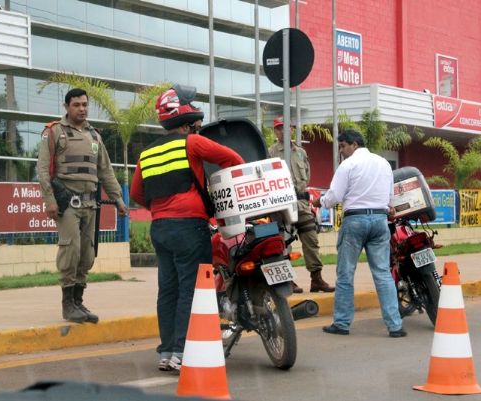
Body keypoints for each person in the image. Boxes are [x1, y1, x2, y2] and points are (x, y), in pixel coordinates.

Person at [130, 85, 244, 371]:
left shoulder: (146, 154)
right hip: (189, 228)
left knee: (167, 290)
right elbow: (232, 159)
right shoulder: (191, 144)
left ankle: (167, 352)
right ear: (187, 118)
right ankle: (182, 351)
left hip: (159, 229)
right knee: (190, 290)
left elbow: (136, 193)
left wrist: (162, 208)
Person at [37, 88, 128, 325]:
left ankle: (78, 301)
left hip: (90, 203)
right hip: (67, 203)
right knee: (71, 250)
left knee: (87, 254)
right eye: (76, 104)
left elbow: (105, 171)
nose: (82, 109)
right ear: (66, 106)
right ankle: (68, 304)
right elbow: (43, 170)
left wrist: (118, 199)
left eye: (85, 104)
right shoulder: (54, 132)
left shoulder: (95, 136)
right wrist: (49, 200)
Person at [312, 129, 406, 338]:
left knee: (345, 274)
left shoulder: (348, 165)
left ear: (354, 144)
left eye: (343, 145)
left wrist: (320, 201)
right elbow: (390, 197)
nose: (341, 150)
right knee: (382, 273)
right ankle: (395, 326)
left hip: (355, 221)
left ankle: (342, 323)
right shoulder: (384, 163)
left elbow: (335, 196)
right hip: (380, 221)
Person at [268, 116, 334, 293]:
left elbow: (307, 176)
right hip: (281, 204)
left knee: (311, 238)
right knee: (283, 242)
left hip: (301, 203)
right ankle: (288, 280)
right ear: (275, 131)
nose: (283, 131)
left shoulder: (301, 152)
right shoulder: (271, 153)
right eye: (280, 128)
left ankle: (316, 279)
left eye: (287, 128)